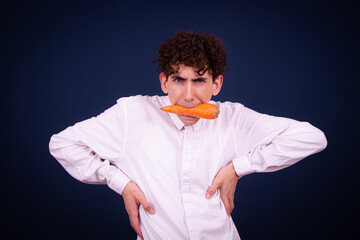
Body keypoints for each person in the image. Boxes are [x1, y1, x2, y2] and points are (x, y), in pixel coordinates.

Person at [49, 31, 327, 239]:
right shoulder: (132, 114)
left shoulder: (233, 118)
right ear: (164, 81)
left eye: (200, 80)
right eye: (179, 80)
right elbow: (62, 144)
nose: (189, 96)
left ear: (217, 83)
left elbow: (312, 137)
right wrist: (119, 182)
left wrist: (238, 168)